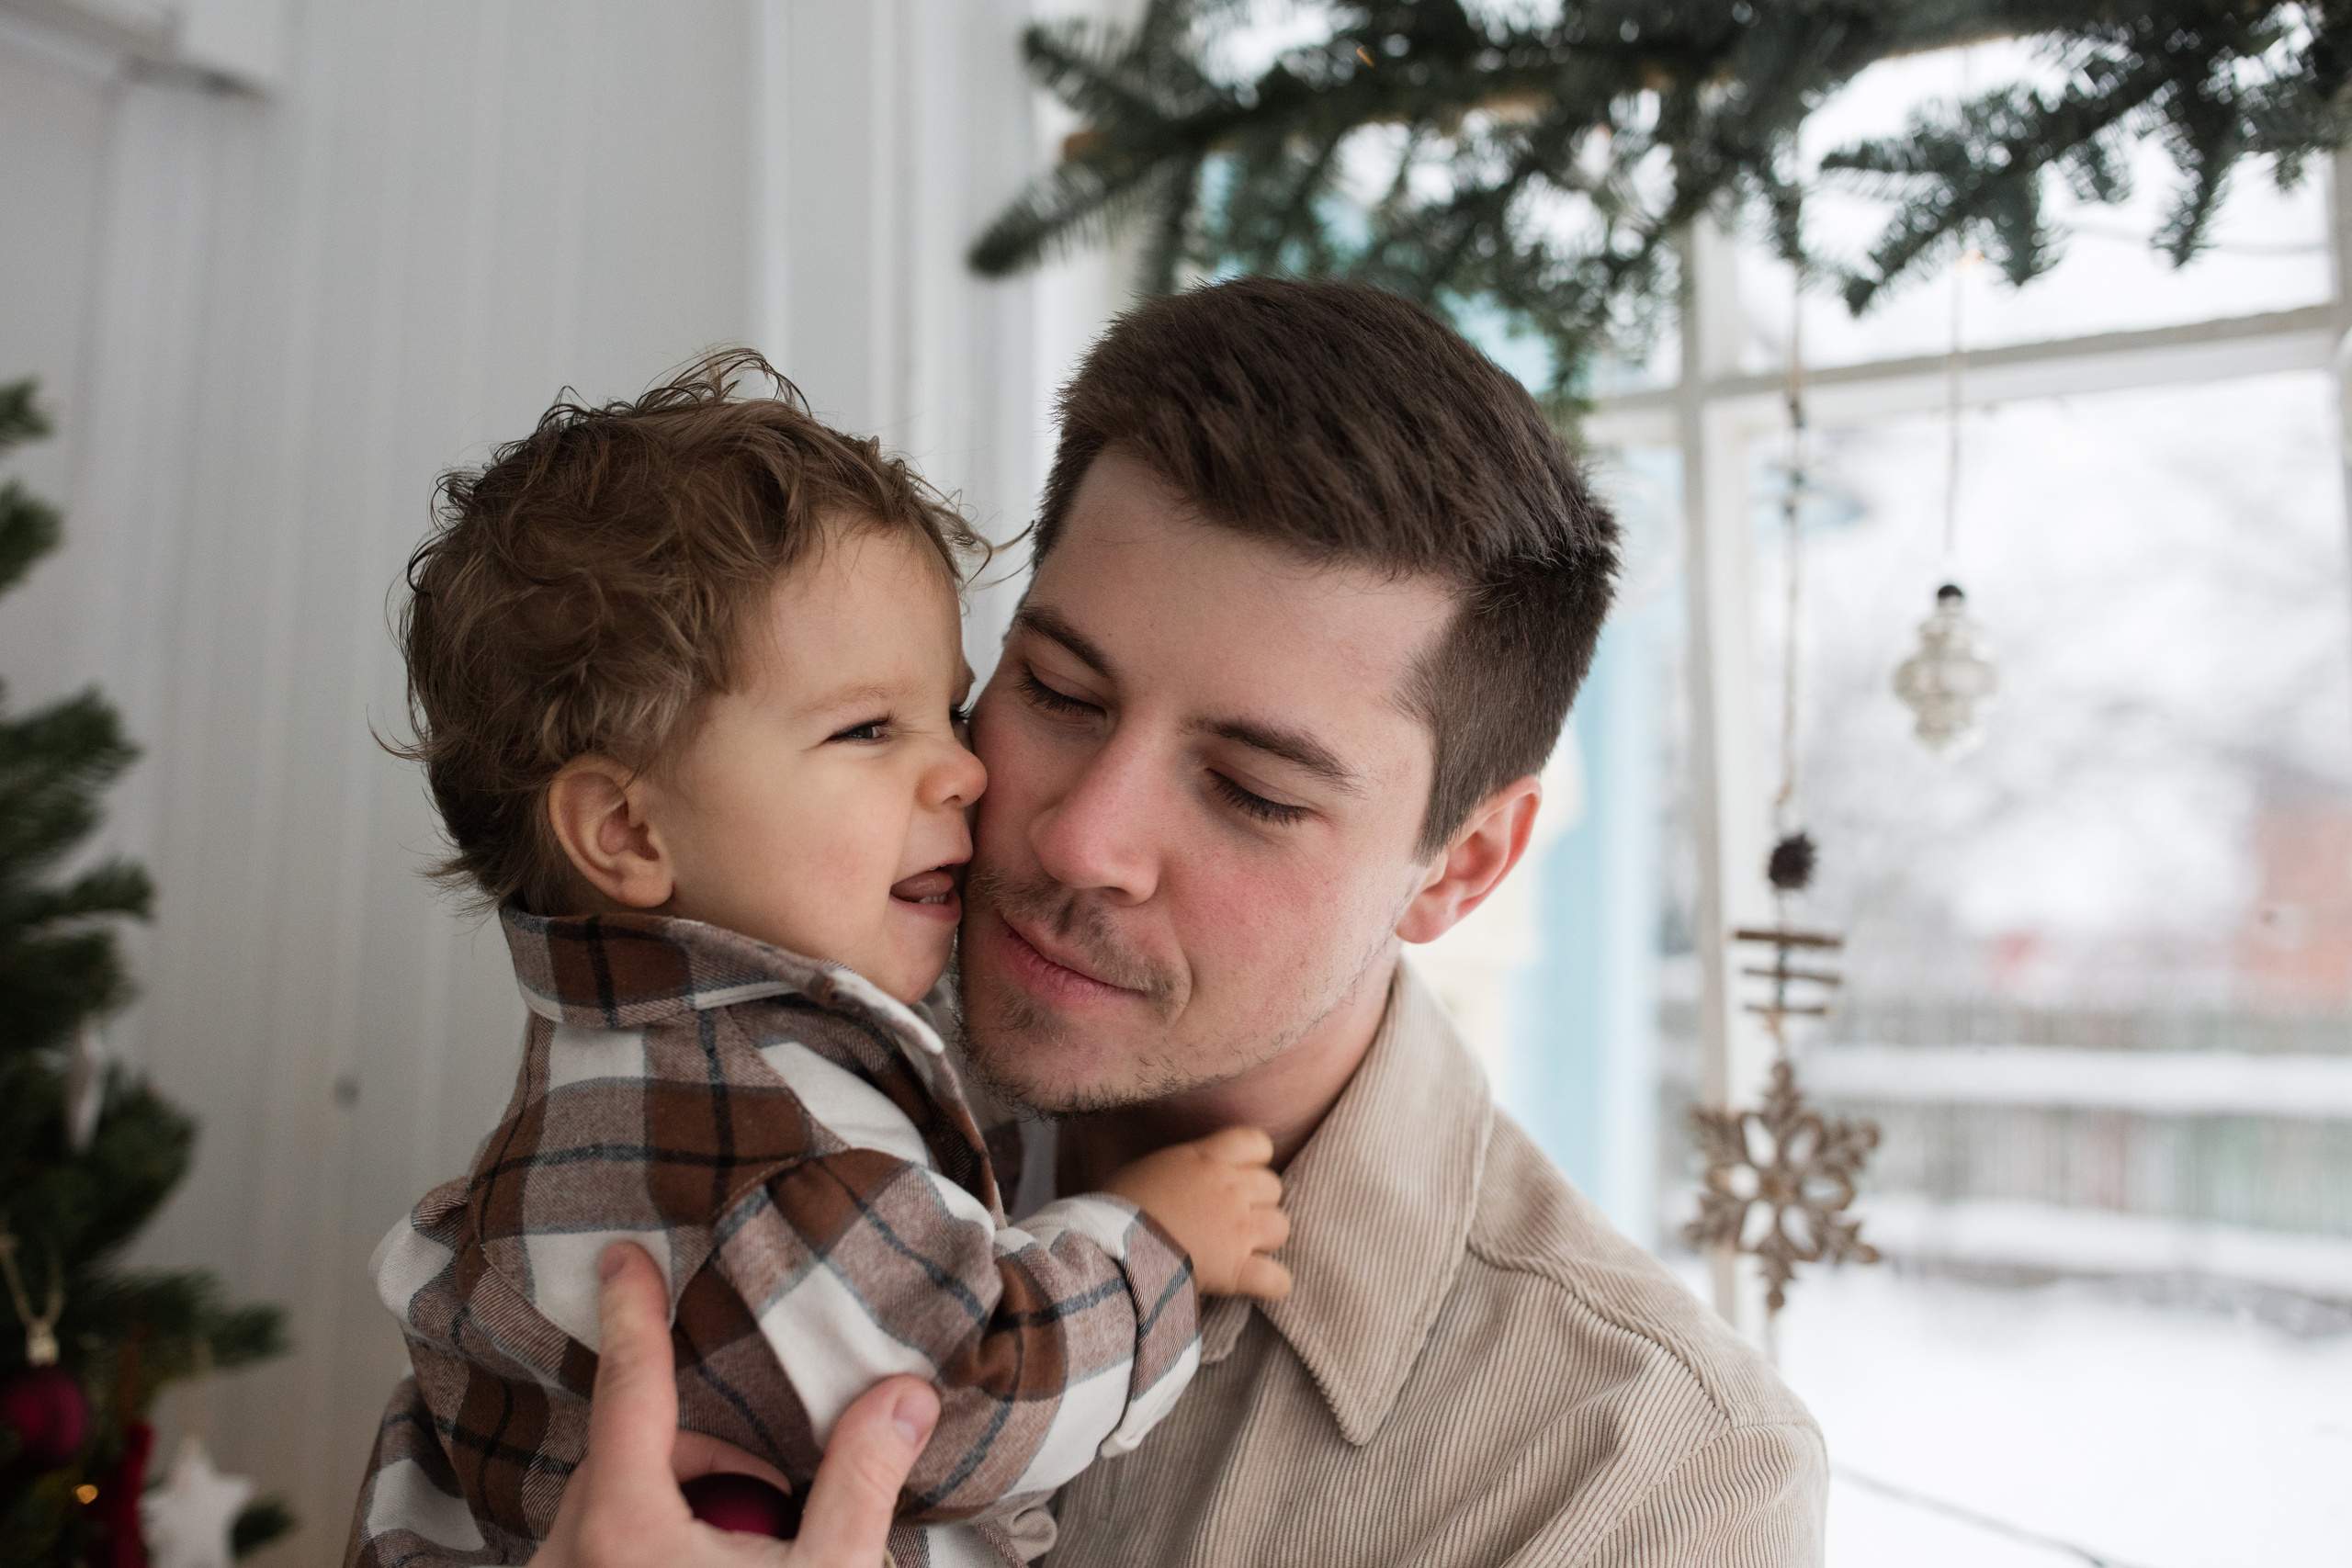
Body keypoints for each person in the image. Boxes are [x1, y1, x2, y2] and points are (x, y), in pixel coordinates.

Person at [342, 356, 1292, 1568]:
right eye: (867, 730)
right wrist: (1152, 1242)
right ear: (629, 832)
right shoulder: (748, 1138)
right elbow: (963, 1396)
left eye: (951, 714)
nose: (963, 771)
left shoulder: (690, 1069)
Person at [949, 276, 1829, 1565]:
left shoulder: (1648, 1472)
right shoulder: (718, 1071)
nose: (1082, 838)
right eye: (1059, 691)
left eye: (1251, 792)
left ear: (1460, 867)